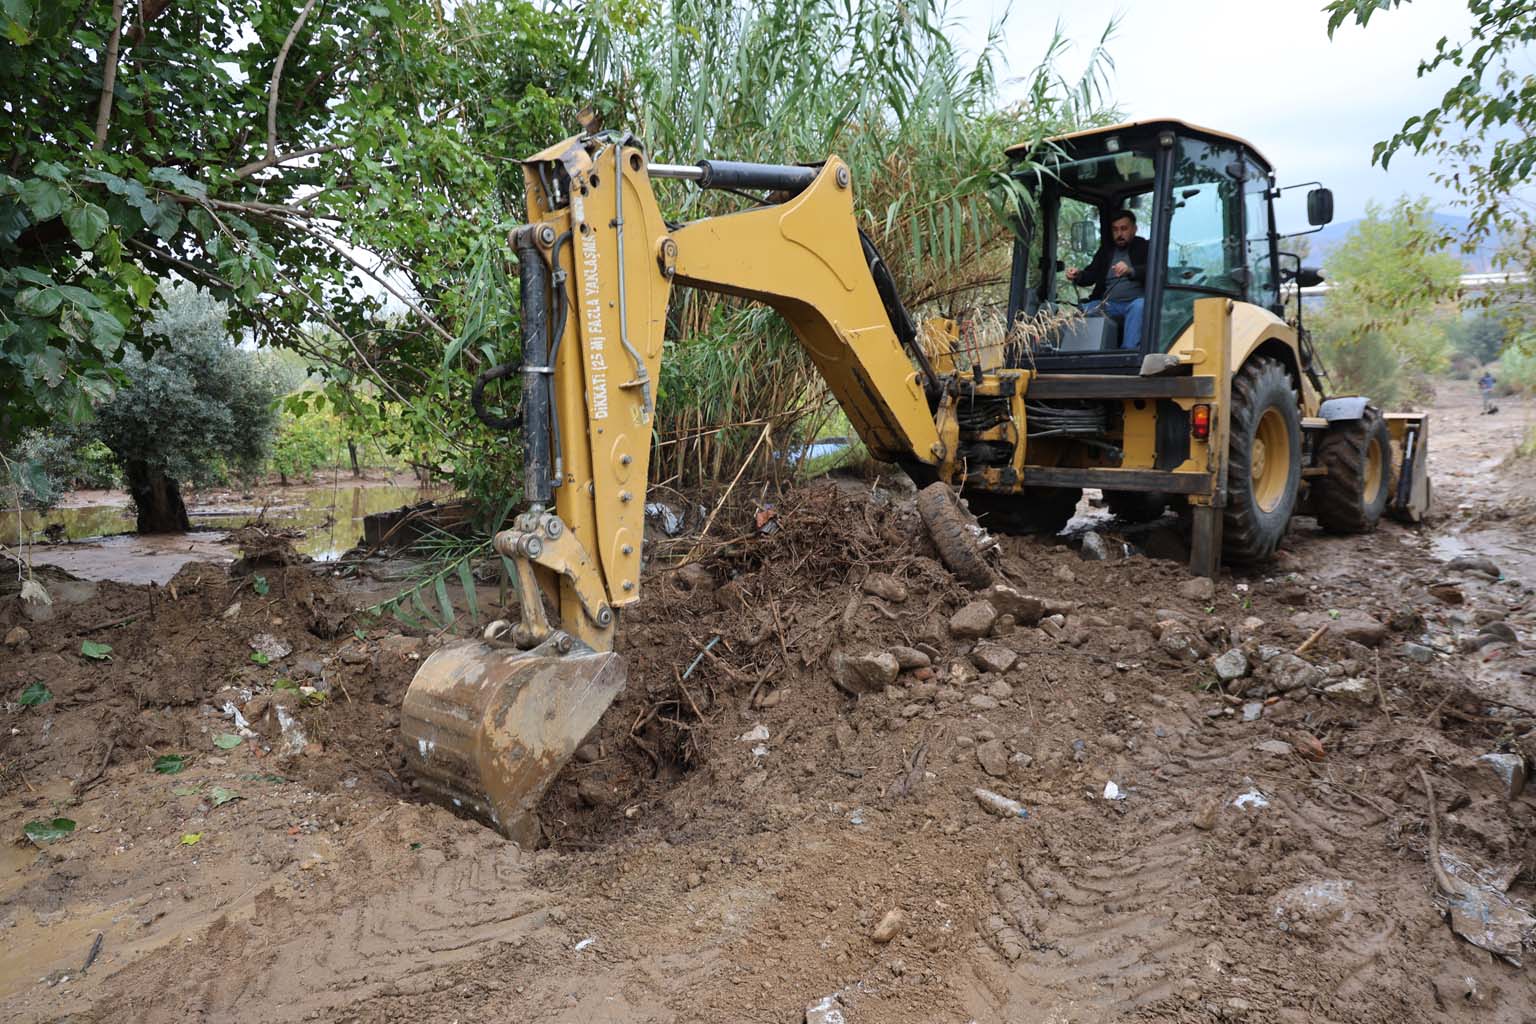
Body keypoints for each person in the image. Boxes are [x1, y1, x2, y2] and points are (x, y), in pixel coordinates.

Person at [1066, 210, 1149, 350]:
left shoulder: (1145, 247)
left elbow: (1155, 270)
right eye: (1115, 230)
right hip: (1109, 304)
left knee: (1140, 306)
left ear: (1134, 229)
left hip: (1135, 302)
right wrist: (1078, 275)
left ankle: (1128, 353)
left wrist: (1130, 270)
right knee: (1084, 310)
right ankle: (1081, 356)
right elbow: (1091, 274)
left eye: (1124, 229)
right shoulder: (1106, 251)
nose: (1119, 234)